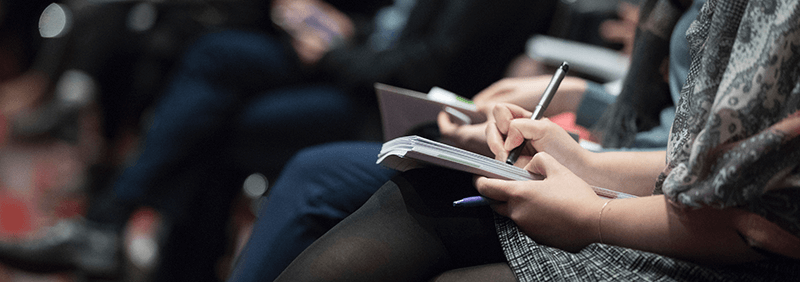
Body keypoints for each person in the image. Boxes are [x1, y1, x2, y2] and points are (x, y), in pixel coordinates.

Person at [0, 0, 557, 281]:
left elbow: (424, 64)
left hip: (399, 107)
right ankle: (124, 229)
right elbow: (393, 25)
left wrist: (337, 52)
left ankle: (132, 235)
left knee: (225, 122)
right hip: (358, 66)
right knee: (213, 54)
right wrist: (333, 25)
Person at [263, 0, 799, 280]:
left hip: (715, 245)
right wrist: (584, 162)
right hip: (649, 178)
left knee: (355, 185)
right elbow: (700, 151)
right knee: (408, 192)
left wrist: (594, 211)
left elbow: (758, 213)